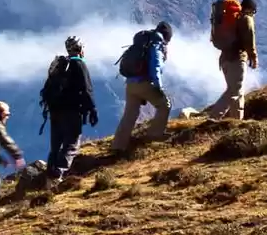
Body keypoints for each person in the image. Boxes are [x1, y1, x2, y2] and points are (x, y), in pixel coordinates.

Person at [41, 36, 98, 183]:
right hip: (71, 110)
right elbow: (86, 89)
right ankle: (57, 175)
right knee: (71, 143)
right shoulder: (79, 65)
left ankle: (49, 175)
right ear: (80, 49)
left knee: (56, 144)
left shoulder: (60, 66)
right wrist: (92, 110)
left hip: (54, 110)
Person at [111, 21, 173, 152]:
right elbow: (155, 65)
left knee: (129, 115)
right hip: (144, 82)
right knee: (164, 105)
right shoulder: (157, 43)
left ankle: (118, 146)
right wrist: (159, 86)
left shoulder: (143, 41)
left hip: (130, 83)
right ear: (167, 36)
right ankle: (154, 136)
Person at [206, 0, 258, 119]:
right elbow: (250, 39)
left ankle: (235, 120)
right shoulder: (246, 18)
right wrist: (253, 57)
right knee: (235, 91)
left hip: (224, 59)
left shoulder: (232, 19)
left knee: (235, 90)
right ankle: (214, 117)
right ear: (251, 10)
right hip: (237, 58)